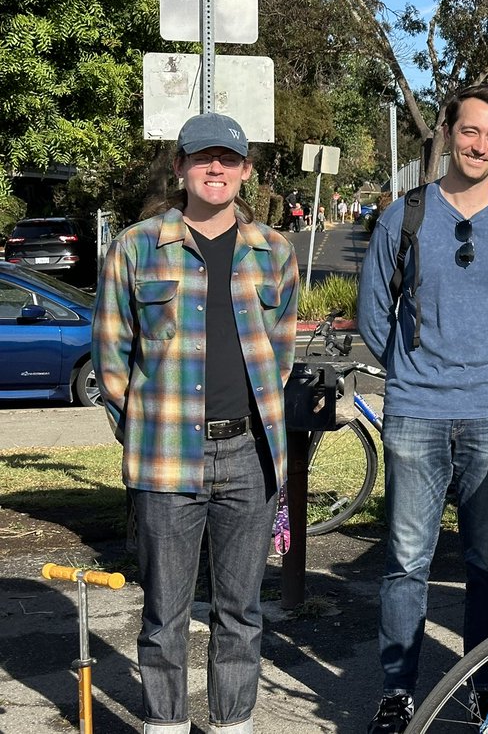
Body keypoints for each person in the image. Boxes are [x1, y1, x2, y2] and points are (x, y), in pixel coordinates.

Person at [357, 83, 488, 734]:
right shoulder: (405, 215)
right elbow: (372, 314)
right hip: (415, 413)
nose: (480, 146)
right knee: (406, 562)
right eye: (470, 131)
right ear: (447, 132)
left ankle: (483, 685)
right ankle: (397, 693)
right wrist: (412, 374)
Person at [93, 112, 299, 734]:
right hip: (165, 457)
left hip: (249, 456)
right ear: (180, 166)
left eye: (229, 160)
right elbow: (111, 360)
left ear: (245, 171)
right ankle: (165, 722)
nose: (217, 169)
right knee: (164, 614)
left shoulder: (274, 252)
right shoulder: (136, 246)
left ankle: (232, 723)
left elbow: (280, 357)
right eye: (204, 158)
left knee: (241, 611)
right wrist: (146, 431)